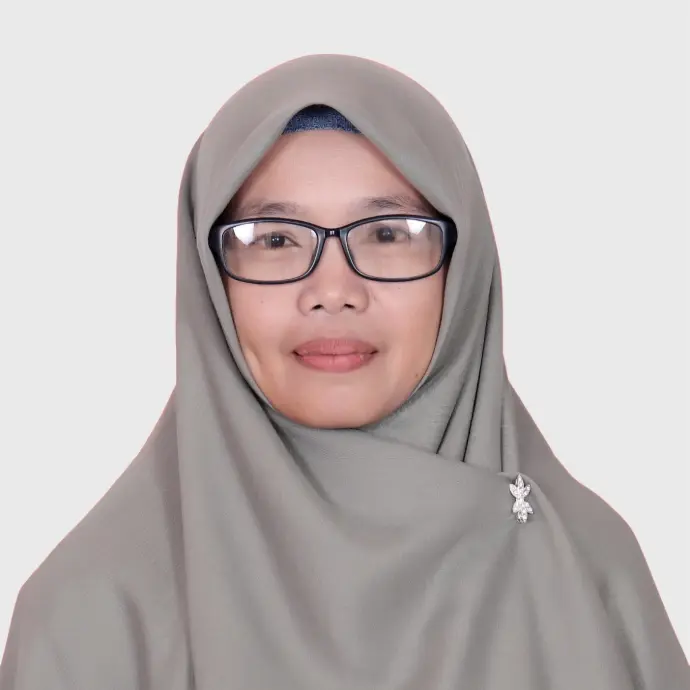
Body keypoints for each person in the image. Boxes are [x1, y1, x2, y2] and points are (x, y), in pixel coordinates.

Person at [1, 54, 687, 690]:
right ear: (212, 282)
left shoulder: (591, 573)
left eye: (387, 234)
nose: (333, 290)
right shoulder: (91, 619)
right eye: (274, 239)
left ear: (462, 270)